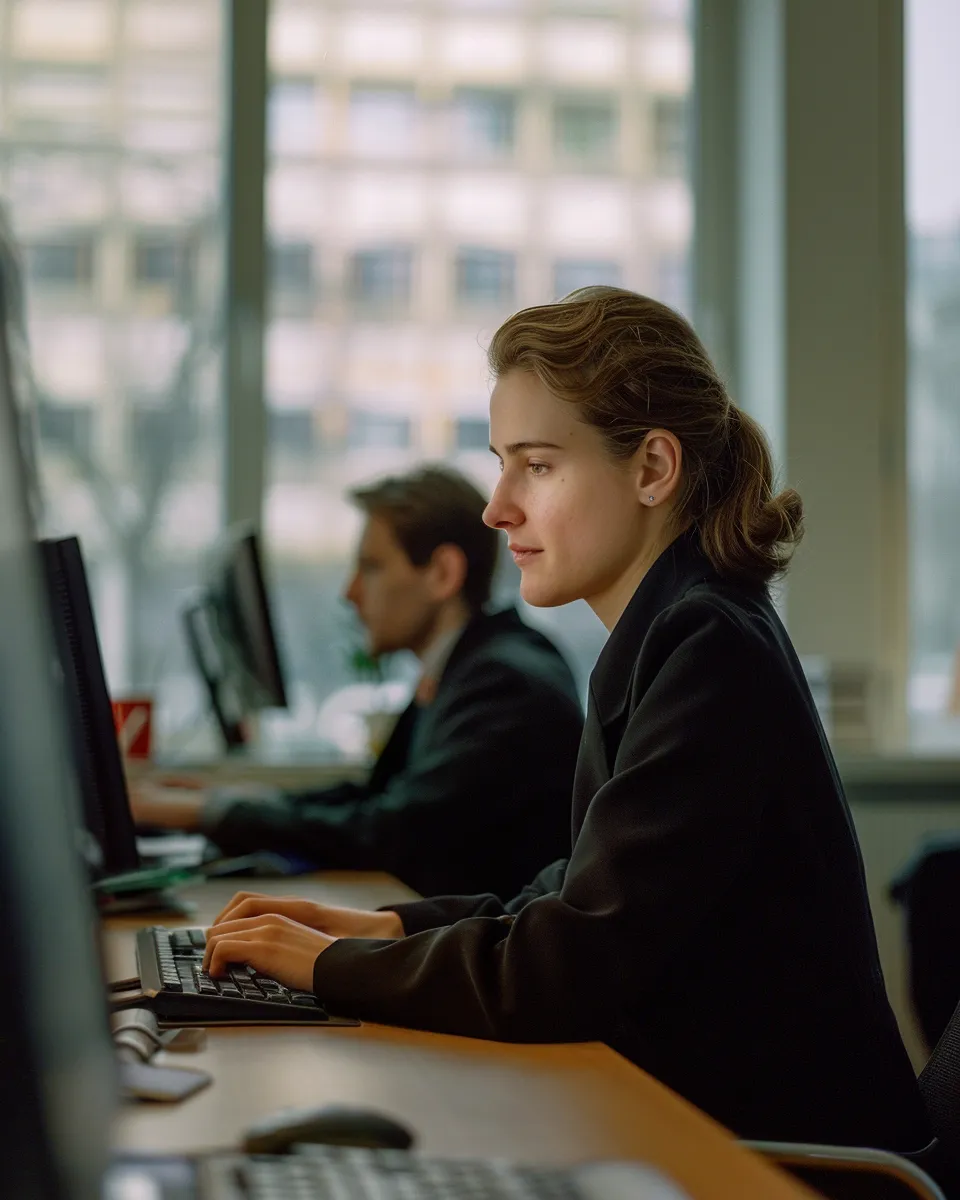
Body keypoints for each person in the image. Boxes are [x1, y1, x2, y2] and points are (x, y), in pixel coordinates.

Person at [200, 288, 930, 1150]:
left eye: (537, 466)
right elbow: (580, 885)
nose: (497, 507)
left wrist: (329, 967)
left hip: (790, 1168)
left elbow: (568, 963)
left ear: (652, 469)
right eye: (501, 463)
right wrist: (392, 927)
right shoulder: (675, 627)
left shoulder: (707, 644)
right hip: (700, 1123)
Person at [132, 465, 583, 900]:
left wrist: (214, 814)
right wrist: (239, 802)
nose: (350, 593)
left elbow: (393, 831)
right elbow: (377, 794)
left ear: (442, 573)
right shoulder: (467, 666)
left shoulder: (503, 684)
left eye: (371, 567)